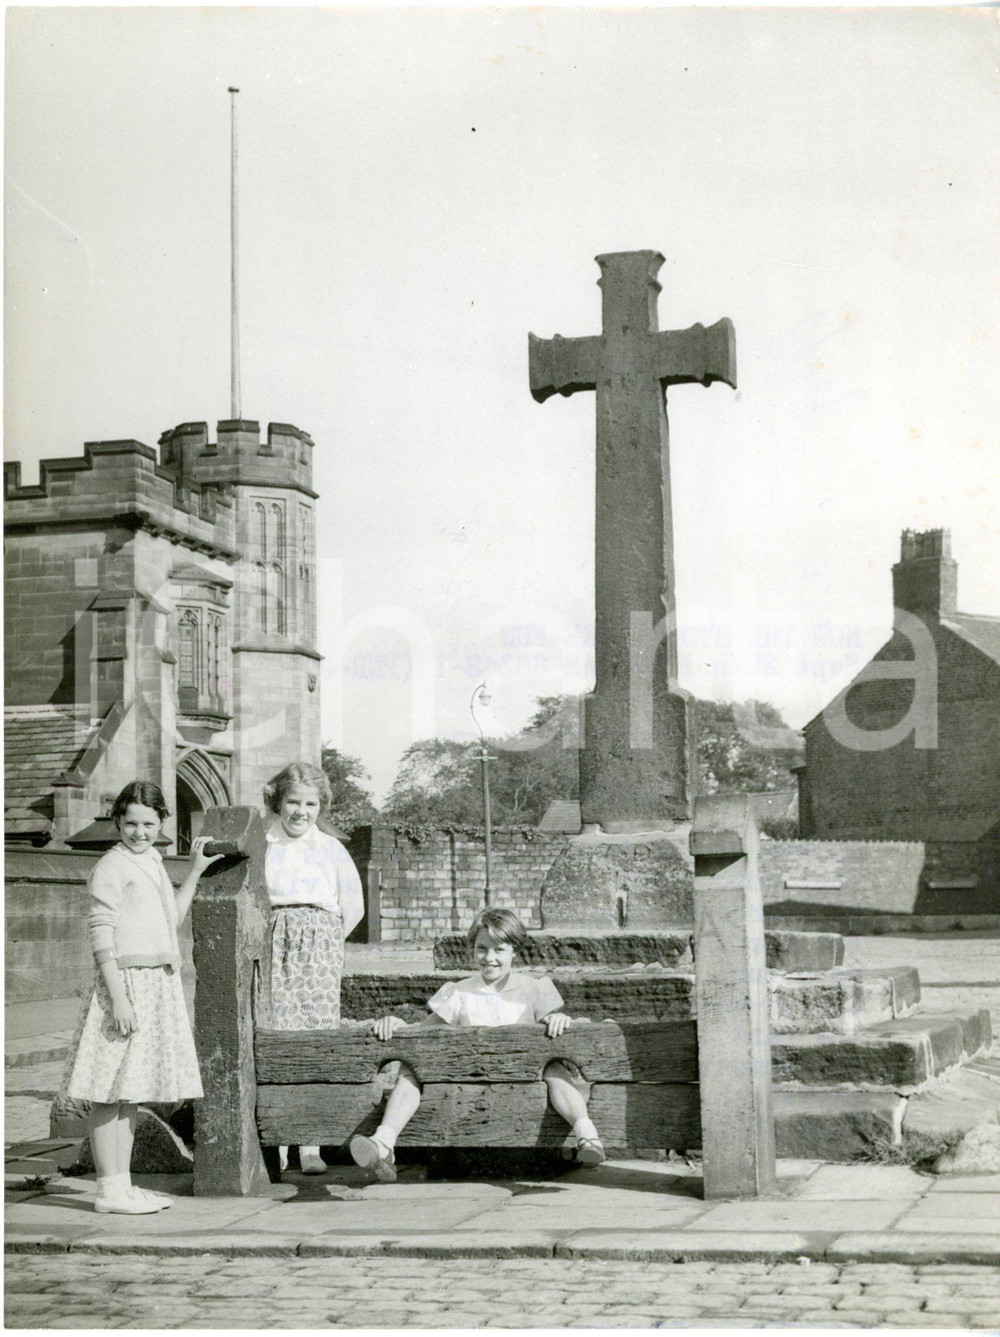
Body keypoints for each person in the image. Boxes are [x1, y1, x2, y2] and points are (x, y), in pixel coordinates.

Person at [349, 907, 606, 1183]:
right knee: (412, 1071)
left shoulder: (532, 989)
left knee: (554, 1068)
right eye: (482, 948)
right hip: (470, 1087)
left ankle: (587, 1136)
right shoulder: (460, 993)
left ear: (514, 951)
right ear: (472, 949)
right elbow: (421, 1036)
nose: (489, 958)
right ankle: (384, 1143)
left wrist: (558, 1019)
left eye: (499, 950)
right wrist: (397, 1026)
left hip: (523, 1082)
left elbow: (555, 1030)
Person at [60, 780, 222, 1215]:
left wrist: (194, 872)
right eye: (130, 823)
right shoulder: (111, 866)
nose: (139, 832)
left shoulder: (151, 859)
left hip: (155, 985)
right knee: (106, 1090)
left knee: (128, 1091)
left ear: (161, 824)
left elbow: (173, 920)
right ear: (117, 822)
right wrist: (119, 999)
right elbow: (100, 935)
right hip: (124, 985)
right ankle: (108, 1191)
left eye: (148, 824)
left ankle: (122, 1186)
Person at [263, 761, 364, 1174]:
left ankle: (309, 1145)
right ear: (278, 802)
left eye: (310, 803)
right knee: (277, 1032)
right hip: (273, 940)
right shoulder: (263, 844)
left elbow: (352, 905)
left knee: (316, 1036)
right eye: (293, 802)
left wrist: (324, 943)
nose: (301, 812)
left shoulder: (329, 848)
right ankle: (278, 1143)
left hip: (319, 945)